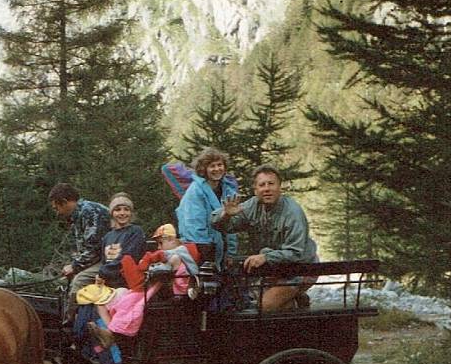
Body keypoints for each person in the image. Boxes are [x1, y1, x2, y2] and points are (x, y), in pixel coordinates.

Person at [68, 192, 145, 364]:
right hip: (102, 293)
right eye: (117, 209)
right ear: (111, 213)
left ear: (131, 212)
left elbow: (129, 262)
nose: (121, 213)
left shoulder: (135, 233)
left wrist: (105, 276)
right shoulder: (107, 238)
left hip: (121, 294)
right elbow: (101, 262)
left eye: (126, 209)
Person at [210, 164, 318, 312]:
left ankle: (297, 304)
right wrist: (227, 215)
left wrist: (265, 257)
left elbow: (295, 253)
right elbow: (219, 225)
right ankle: (295, 301)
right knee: (248, 304)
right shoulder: (253, 205)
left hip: (300, 269)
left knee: (265, 307)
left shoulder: (293, 212)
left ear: (280, 187)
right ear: (256, 190)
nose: (267, 188)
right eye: (262, 185)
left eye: (271, 184)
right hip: (274, 269)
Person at [87, 223, 198, 350]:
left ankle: (113, 335)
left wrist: (148, 265)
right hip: (159, 288)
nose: (158, 247)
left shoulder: (176, 256)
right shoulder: (174, 255)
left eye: (160, 243)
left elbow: (161, 272)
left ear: (171, 240)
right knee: (122, 298)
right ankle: (111, 333)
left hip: (170, 293)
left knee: (133, 303)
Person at [48, 183, 110, 324]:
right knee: (66, 282)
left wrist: (75, 267)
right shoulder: (79, 215)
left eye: (56, 207)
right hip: (98, 258)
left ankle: (69, 325)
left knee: (78, 282)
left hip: (108, 259)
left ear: (64, 202)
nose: (57, 212)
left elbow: (94, 249)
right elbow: (84, 248)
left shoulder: (90, 212)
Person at [175, 147, 238, 269]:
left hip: (222, 247)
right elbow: (194, 224)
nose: (217, 169)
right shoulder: (195, 191)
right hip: (202, 248)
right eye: (212, 166)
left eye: (220, 165)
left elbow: (232, 224)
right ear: (204, 169)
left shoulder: (228, 189)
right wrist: (206, 253)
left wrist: (231, 252)